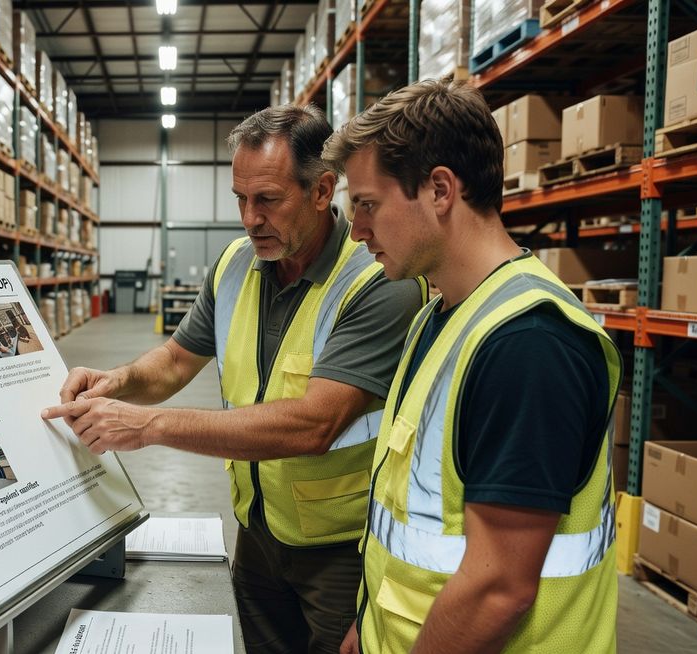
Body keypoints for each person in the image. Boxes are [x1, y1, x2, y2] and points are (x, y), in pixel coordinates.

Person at [43, 104, 426, 653]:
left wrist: (149, 425)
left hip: (342, 549)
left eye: (268, 200)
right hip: (256, 534)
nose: (249, 219)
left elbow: (314, 425)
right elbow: (176, 361)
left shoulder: (377, 283)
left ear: (321, 191)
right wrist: (117, 380)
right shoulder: (234, 266)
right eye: (241, 200)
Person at [321, 78, 620, 654]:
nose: (357, 232)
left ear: (439, 189)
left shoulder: (529, 344)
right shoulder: (439, 318)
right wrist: (370, 621)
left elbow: (497, 587)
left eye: (366, 205)